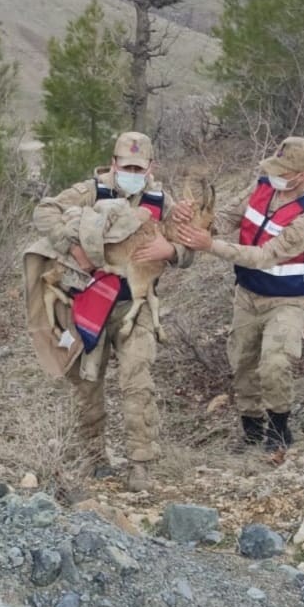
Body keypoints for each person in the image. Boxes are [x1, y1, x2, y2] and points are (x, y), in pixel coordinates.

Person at [32, 132, 193, 491]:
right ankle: (93, 457)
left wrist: (171, 251)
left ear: (150, 167)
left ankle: (140, 463)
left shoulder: (162, 201)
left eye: (139, 167)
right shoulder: (90, 191)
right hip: (88, 304)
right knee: (87, 383)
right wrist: (72, 247)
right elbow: (44, 210)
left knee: (138, 379)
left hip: (134, 306)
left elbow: (189, 249)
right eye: (126, 165)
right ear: (114, 163)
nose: (133, 171)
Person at [176, 136, 304, 452]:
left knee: (274, 363)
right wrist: (200, 223)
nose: (276, 176)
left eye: (284, 172)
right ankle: (251, 431)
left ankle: (278, 432)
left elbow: (264, 256)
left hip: (288, 301)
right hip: (247, 294)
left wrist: (210, 246)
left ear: (303, 174)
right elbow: (230, 217)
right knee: (243, 363)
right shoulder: (261, 186)